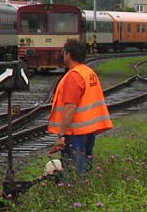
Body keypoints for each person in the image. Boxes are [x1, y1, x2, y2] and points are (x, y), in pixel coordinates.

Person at [47, 38, 112, 175]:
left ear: (68, 55)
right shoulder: (88, 73)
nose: (62, 55)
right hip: (88, 131)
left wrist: (61, 135)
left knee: (74, 171)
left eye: (63, 52)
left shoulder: (74, 76)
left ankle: (76, 194)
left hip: (75, 133)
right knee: (85, 167)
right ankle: (85, 193)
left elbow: (70, 108)